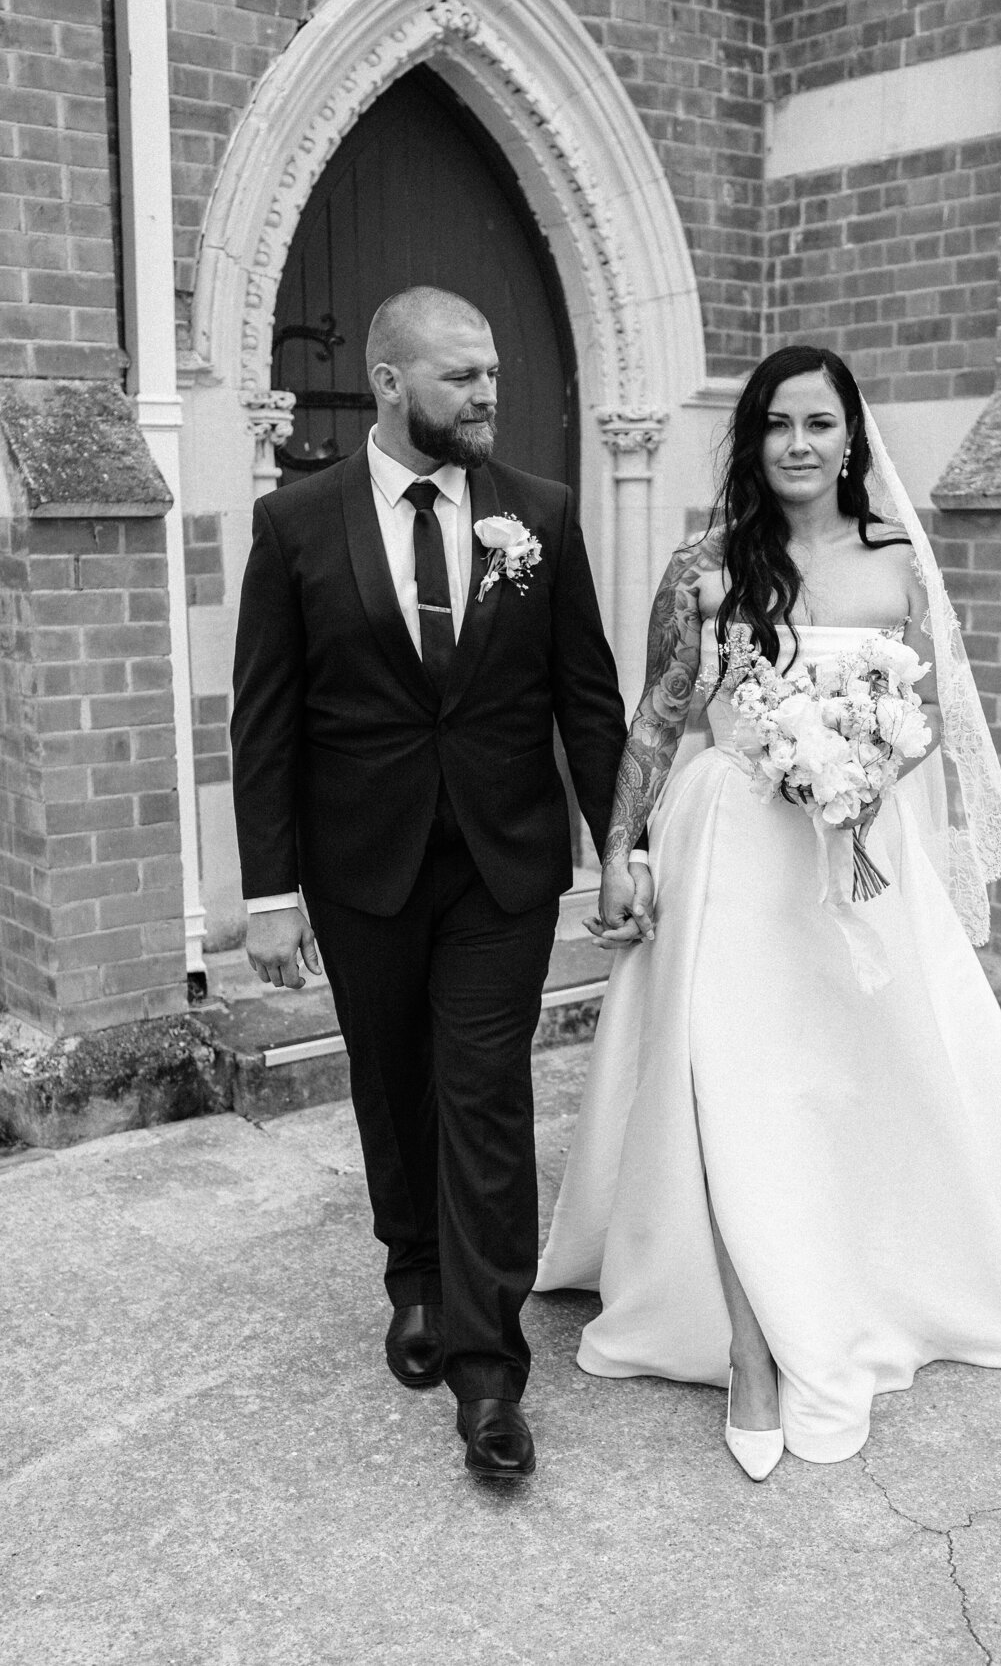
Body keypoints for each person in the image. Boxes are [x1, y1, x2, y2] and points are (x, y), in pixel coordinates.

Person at [535, 344, 1001, 1479]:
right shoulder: (707, 566)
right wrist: (619, 851)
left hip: (858, 857)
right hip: (731, 847)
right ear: (753, 440)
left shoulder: (900, 562)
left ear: (854, 437)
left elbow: (929, 727)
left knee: (845, 1074)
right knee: (727, 1072)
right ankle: (756, 1350)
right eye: (776, 425)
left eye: (819, 423)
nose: (798, 444)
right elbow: (663, 719)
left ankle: (861, 1258)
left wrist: (861, 783)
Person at [230, 288, 650, 1481]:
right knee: (393, 1079)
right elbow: (263, 722)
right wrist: (270, 894)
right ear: (391, 382)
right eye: (462, 376)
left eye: (495, 376)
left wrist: (617, 846)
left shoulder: (543, 515)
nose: (487, 396)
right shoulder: (296, 524)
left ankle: (487, 1368)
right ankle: (410, 1272)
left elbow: (588, 699)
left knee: (480, 1087)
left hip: (502, 866)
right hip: (363, 864)